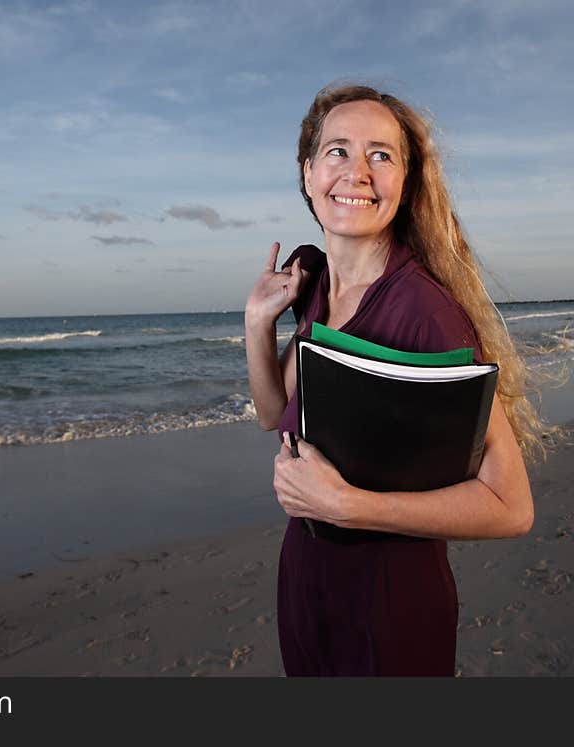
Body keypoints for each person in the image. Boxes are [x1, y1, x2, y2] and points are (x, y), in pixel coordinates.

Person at [244, 83, 549, 676]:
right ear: (308, 174)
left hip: (388, 605)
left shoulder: (425, 313)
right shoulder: (319, 284)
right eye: (337, 151)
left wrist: (349, 505)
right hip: (308, 585)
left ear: (405, 181)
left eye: (381, 155)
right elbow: (272, 411)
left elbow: (511, 508)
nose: (356, 171)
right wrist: (258, 322)